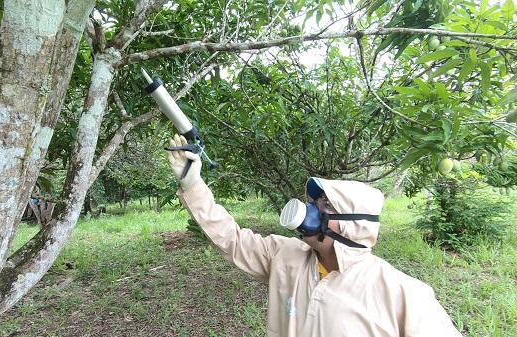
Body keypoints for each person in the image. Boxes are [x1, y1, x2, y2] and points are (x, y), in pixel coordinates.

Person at [166, 134, 462, 337]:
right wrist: (193, 184)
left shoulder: (401, 293)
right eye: (315, 203)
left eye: (326, 205)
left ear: (352, 223)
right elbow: (230, 237)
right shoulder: (285, 256)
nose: (311, 210)